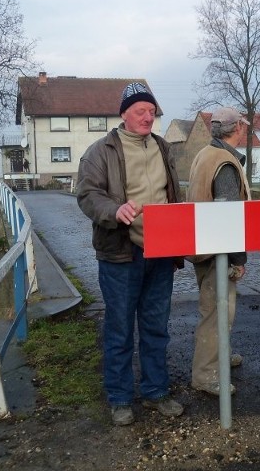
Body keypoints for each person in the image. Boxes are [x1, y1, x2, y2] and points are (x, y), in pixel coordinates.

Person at [77, 82, 184, 425]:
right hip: (121, 254)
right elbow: (87, 195)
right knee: (120, 329)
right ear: (124, 113)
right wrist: (114, 210)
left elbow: (173, 195)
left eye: (152, 111)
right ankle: (120, 397)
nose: (148, 117)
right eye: (140, 111)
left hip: (161, 252)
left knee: (156, 327)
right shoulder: (100, 151)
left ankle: (155, 391)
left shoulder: (164, 148)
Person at [187, 107, 251, 396]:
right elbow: (230, 217)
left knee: (218, 309)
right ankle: (207, 374)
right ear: (237, 127)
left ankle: (220, 356)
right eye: (244, 125)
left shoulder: (205, 154)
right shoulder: (225, 162)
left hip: (203, 245)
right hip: (218, 251)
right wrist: (238, 259)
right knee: (217, 312)